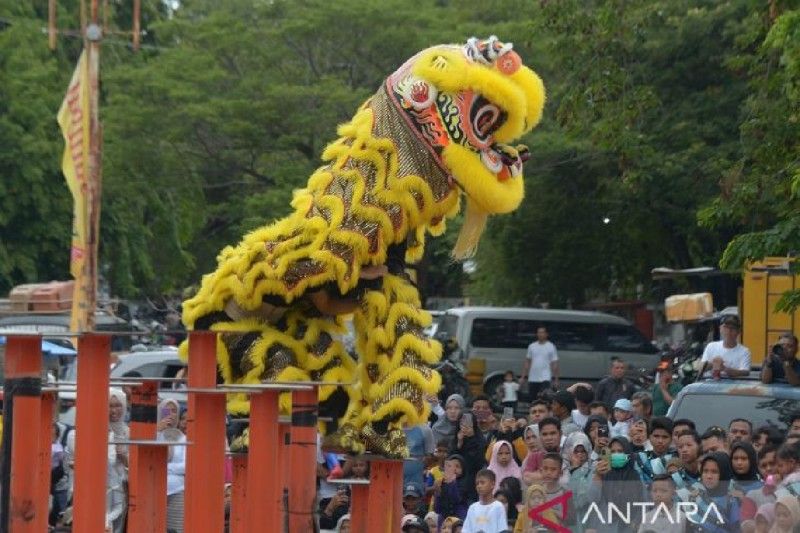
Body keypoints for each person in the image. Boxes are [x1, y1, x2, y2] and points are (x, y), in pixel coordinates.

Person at [690, 452, 741, 532]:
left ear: (724, 474)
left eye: (714, 472)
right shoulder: (697, 498)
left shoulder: (731, 502)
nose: (709, 476)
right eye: (705, 471)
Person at [157, 399, 186, 533]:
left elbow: (186, 466)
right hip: (155, 490)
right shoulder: (155, 434)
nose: (171, 415)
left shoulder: (183, 438)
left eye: (174, 411)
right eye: (167, 410)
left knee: (176, 528)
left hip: (177, 490)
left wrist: (166, 467)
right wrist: (157, 431)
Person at [700, 315, 751, 379]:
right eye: (725, 327)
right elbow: (701, 368)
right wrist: (713, 364)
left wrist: (724, 368)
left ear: (738, 331)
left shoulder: (744, 351)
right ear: (720, 329)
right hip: (709, 383)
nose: (728, 331)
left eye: (732, 328)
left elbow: (745, 372)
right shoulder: (711, 346)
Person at [108, 388, 129, 533]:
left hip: (122, 487)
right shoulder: (97, 429)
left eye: (118, 405)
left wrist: (123, 456)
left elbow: (134, 465)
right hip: (101, 486)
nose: (114, 410)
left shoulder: (128, 432)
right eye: (110, 405)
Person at [520, 326, 559, 401]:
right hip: (533, 378)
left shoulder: (551, 346)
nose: (540, 334)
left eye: (542, 332)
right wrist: (522, 377)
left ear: (546, 334)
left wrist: (556, 379)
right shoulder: (532, 346)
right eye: (539, 332)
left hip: (545, 377)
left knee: (544, 399)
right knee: (532, 399)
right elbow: (527, 362)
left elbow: (555, 364)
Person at [462, 469, 507, 533]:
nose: (479, 486)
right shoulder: (472, 508)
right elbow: (466, 530)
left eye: (482, 483)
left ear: (492, 484)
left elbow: (502, 530)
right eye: (477, 483)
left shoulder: (498, 507)